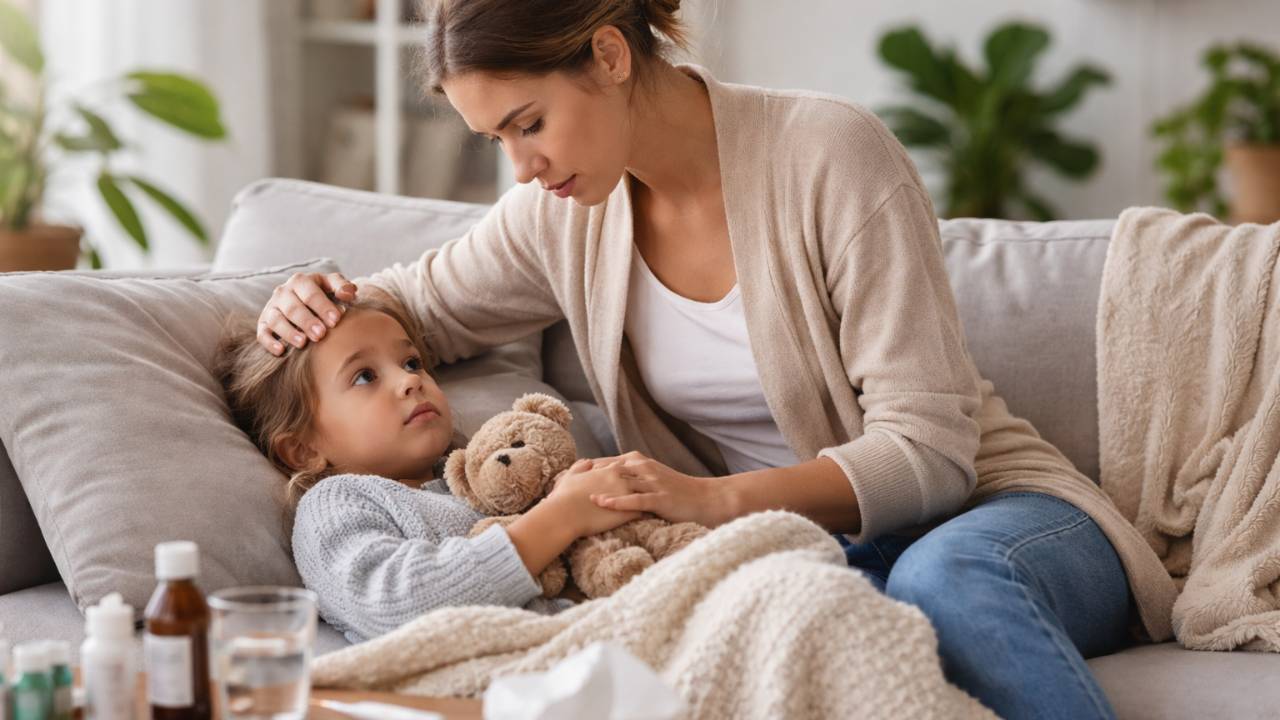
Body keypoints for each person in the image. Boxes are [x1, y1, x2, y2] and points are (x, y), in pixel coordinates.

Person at [254, 1, 1177, 717]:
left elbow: (933, 453)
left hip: (995, 513)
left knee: (945, 584)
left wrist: (714, 502)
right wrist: (309, 298)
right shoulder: (560, 214)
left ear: (610, 57)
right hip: (803, 553)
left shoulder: (829, 156)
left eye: (528, 124)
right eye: (496, 139)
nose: (521, 167)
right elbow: (409, 307)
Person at [217, 290, 640, 643]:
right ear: (303, 450)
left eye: (411, 362)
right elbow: (393, 604)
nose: (410, 380)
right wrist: (561, 517)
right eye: (365, 376)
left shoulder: (484, 478)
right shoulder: (335, 504)